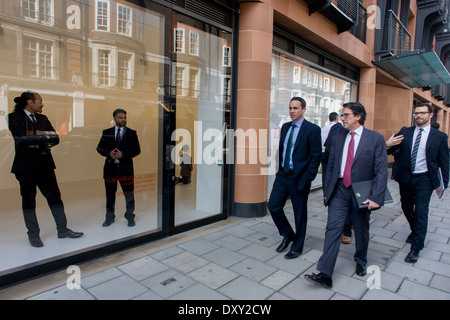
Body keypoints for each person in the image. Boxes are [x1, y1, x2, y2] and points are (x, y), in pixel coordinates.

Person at [304, 102, 388, 288]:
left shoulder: (375, 139)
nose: (342, 118)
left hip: (362, 191)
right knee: (333, 228)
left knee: (361, 229)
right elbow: (330, 165)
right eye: (342, 115)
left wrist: (376, 197)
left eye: (346, 115)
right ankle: (325, 273)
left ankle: (361, 260)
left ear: (358, 116)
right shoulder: (338, 136)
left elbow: (381, 170)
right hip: (339, 189)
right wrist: (327, 191)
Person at [8, 91, 84, 247]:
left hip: (45, 165)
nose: (42, 104)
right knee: (29, 201)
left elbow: (55, 138)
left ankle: (62, 230)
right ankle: (33, 235)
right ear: (30, 102)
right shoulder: (14, 117)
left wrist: (36, 140)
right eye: (40, 101)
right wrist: (43, 138)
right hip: (25, 168)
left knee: (55, 198)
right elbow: (21, 139)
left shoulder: (43, 118)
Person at [386, 103, 449, 263]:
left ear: (430, 115)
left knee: (421, 211)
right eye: (416, 113)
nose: (418, 116)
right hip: (406, 177)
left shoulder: (440, 137)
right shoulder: (405, 132)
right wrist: (387, 145)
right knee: (406, 207)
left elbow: (444, 162)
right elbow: (389, 151)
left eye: (422, 113)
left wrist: (442, 184)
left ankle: (416, 247)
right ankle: (415, 230)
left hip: (425, 179)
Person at [267, 97, 322, 259]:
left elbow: (316, 155)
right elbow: (282, 150)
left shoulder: (312, 129)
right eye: (290, 108)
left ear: (304, 110)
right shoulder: (285, 127)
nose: (292, 111)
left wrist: (308, 177)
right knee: (273, 206)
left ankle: (297, 247)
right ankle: (288, 233)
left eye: (296, 108)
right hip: (283, 176)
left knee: (300, 213)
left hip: (299, 178)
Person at [97, 109, 141, 227]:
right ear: (115, 118)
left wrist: (124, 155)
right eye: (120, 117)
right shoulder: (107, 132)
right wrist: (108, 153)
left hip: (125, 169)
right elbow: (99, 148)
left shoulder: (132, 133)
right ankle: (109, 217)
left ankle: (130, 217)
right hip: (110, 169)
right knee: (110, 194)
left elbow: (137, 150)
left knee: (129, 193)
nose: (123, 120)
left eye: (124, 117)